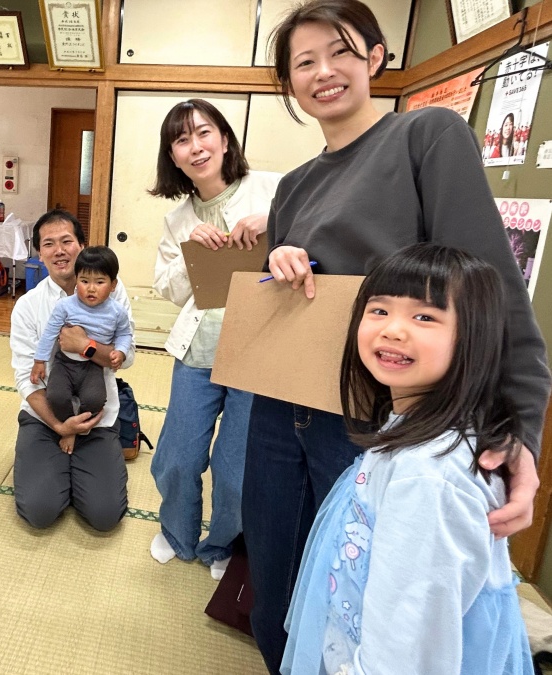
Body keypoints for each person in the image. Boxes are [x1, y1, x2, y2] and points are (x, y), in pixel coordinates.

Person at [243, 2, 550, 671]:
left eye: (341, 52)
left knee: (364, 607)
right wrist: (279, 261)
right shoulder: (292, 186)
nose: (324, 72)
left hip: (373, 420)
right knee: (277, 592)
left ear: (376, 57)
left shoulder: (426, 135)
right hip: (278, 406)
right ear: (289, 82)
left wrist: (520, 428)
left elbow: (491, 291)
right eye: (304, 62)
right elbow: (284, 295)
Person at [281, 243, 532, 674]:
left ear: (475, 335)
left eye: (425, 317)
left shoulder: (428, 476)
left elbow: (404, 651)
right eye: (379, 310)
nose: (393, 330)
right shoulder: (407, 423)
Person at [148, 99, 281, 579]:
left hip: (257, 353)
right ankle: (176, 532)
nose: (196, 147)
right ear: (173, 157)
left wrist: (273, 221)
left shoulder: (273, 189)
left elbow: (316, 242)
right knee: (178, 457)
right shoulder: (178, 218)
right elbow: (168, 289)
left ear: (225, 139)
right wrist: (191, 255)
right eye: (182, 140)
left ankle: (222, 542)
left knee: (237, 468)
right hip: (198, 352)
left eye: (204, 133)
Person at [10, 209, 133, 531]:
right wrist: (60, 426)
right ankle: (52, 465)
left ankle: (80, 465)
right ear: (39, 253)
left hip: (96, 415)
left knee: (105, 516)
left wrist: (86, 346)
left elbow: (127, 357)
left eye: (67, 241)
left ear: (81, 245)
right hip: (45, 417)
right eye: (48, 244)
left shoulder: (112, 291)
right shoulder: (29, 305)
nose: (59, 251)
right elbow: (26, 377)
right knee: (39, 512)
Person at [30, 245, 133, 454]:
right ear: (76, 280)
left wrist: (120, 352)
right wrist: (39, 361)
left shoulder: (117, 312)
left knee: (95, 400)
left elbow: (125, 334)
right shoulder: (65, 306)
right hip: (64, 364)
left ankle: (81, 429)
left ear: (113, 285)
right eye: (85, 281)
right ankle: (68, 428)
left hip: (92, 367)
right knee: (56, 396)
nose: (91, 288)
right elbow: (50, 333)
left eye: (100, 282)